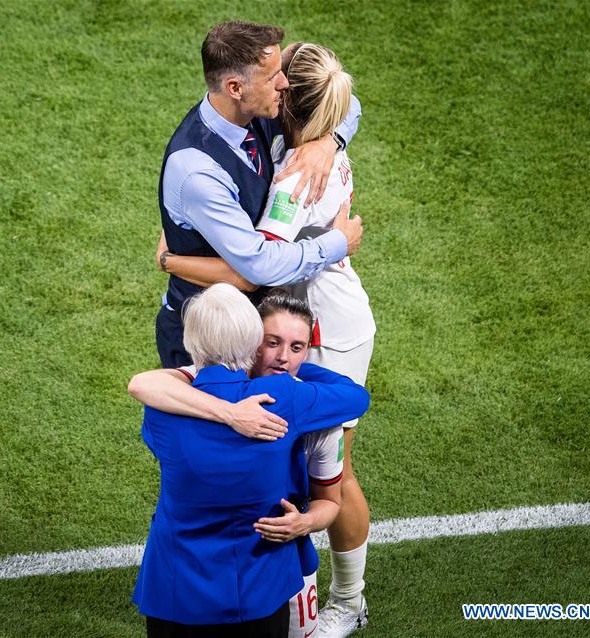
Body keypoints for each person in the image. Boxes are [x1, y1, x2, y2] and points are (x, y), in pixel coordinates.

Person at [149, 43, 375, 638]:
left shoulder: (297, 173)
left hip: (324, 326)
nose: (274, 87)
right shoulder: (298, 140)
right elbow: (344, 108)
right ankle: (284, 591)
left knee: (330, 472)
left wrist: (175, 259)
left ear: (288, 105)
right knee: (278, 453)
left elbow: (256, 271)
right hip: (286, 321)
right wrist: (332, 137)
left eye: (281, 83)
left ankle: (347, 601)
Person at [130, 284, 369, 637]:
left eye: (296, 347)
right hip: (259, 590)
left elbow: (143, 384)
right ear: (252, 340)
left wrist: (196, 379)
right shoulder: (286, 396)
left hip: (173, 590)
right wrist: (299, 371)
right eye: (272, 343)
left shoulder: (162, 410)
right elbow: (355, 397)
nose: (283, 356)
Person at [155, 20, 365, 368]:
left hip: (254, 323)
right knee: (211, 421)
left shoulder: (255, 110)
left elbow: (345, 100)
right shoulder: (197, 171)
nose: (284, 84)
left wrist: (328, 143)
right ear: (235, 87)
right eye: (272, 78)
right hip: (207, 338)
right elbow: (257, 267)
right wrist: (338, 244)